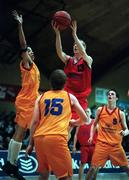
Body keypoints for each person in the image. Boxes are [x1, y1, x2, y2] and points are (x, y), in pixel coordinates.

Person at [25, 69, 88, 180]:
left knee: (44, 175)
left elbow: (34, 122)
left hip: (39, 139)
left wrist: (30, 144)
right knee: (66, 177)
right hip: (56, 138)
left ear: (50, 82)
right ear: (65, 83)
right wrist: (74, 122)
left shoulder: (40, 97)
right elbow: (84, 119)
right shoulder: (70, 97)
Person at [2, 11, 40, 180]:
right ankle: (11, 164)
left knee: (19, 132)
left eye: (31, 51)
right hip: (26, 103)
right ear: (24, 56)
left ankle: (10, 164)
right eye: (28, 51)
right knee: (20, 133)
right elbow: (23, 44)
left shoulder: (35, 68)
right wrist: (20, 25)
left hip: (28, 101)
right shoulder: (26, 64)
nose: (30, 52)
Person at [52, 20, 93, 120]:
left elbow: (83, 53)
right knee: (63, 123)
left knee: (72, 124)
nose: (75, 45)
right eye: (74, 44)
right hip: (67, 96)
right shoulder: (68, 60)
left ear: (84, 48)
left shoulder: (88, 60)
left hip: (81, 99)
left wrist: (74, 34)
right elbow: (59, 51)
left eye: (78, 44)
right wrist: (57, 34)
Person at [86, 89, 129, 180]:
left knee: (126, 167)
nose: (110, 95)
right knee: (93, 168)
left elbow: (127, 129)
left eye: (112, 94)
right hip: (102, 145)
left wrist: (125, 132)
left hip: (116, 146)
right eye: (108, 94)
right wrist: (91, 136)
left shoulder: (120, 113)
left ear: (116, 98)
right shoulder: (100, 110)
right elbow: (94, 125)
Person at [72, 108, 97, 180]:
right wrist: (74, 146)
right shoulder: (80, 122)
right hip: (84, 147)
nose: (86, 113)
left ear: (90, 113)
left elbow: (100, 133)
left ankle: (93, 178)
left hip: (93, 147)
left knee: (93, 165)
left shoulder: (94, 122)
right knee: (82, 164)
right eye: (85, 112)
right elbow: (76, 135)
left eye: (88, 111)